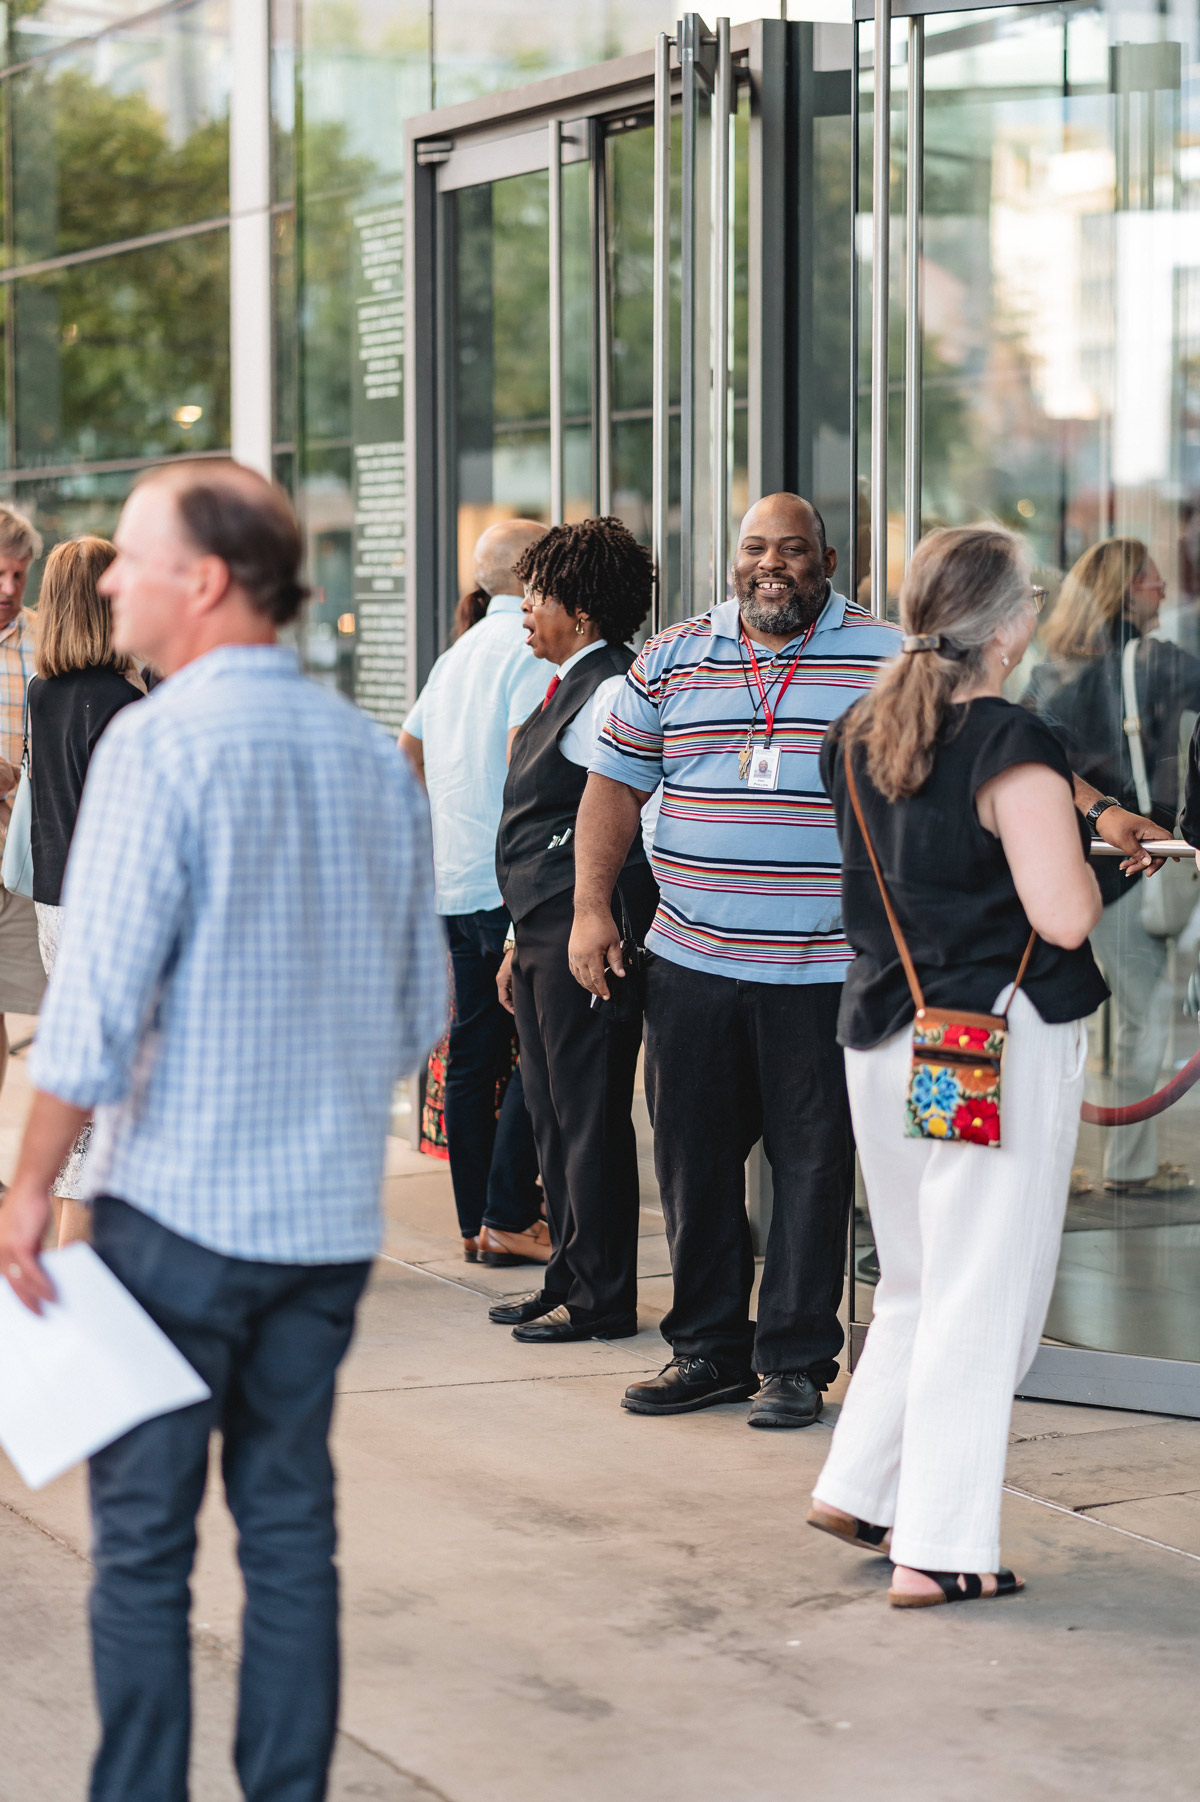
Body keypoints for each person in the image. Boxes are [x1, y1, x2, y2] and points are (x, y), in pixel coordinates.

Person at [0, 461, 445, 1802]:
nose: (111, 582)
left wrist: (27, 1188)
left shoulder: (156, 746)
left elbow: (92, 1010)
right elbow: (419, 1008)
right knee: (290, 1531)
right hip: (323, 1226)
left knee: (143, 1545)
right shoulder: (367, 751)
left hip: (172, 1221)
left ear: (202, 581)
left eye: (131, 560)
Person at [808, 523, 1108, 1606]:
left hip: (886, 1034)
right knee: (983, 1287)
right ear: (1013, 625)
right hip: (985, 1045)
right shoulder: (1012, 741)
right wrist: (1109, 864)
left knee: (921, 1278)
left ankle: (865, 1482)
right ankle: (939, 1546)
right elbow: (1063, 915)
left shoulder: (857, 730)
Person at [570, 494, 901, 1423]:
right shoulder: (672, 657)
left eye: (792, 550)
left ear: (826, 562)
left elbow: (980, 750)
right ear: (733, 559)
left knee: (813, 1168)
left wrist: (1092, 808)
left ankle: (794, 1360)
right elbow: (613, 786)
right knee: (694, 1164)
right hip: (692, 963)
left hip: (827, 970)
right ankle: (709, 1350)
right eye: (756, 547)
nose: (771, 565)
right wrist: (591, 908)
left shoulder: (885, 657)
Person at [490, 515, 656, 1344]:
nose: (525, 610)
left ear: (581, 613)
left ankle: (601, 1297)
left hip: (583, 933)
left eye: (538, 597)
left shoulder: (614, 691)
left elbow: (627, 819)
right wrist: (517, 941)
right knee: (553, 1116)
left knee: (587, 1116)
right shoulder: (568, 684)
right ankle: (567, 1276)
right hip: (543, 929)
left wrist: (591, 922)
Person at [1024, 538, 1200, 1194]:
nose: (1165, 590)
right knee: (1142, 1018)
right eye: (1153, 579)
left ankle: (1049, 1163)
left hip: (1066, 862)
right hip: (1131, 861)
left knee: (1056, 1018)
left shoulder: (1048, 672)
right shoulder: (1156, 661)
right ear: (1127, 590)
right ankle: (1128, 1169)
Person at [400, 519, 551, 1268]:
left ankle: (476, 1224)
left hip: (453, 883)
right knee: (540, 1051)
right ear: (531, 573)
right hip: (507, 886)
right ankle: (509, 1215)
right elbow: (529, 768)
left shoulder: (454, 656)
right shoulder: (526, 649)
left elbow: (407, 755)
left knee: (473, 1055)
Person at [27, 535, 143, 1247]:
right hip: (107, 910)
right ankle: (78, 1263)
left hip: (55, 903)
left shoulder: (42, 694)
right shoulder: (122, 703)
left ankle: (74, 1255)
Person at [0, 504, 48, 1084]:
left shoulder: (46, 641)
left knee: (56, 1006)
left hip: (27, 861)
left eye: (19, 574)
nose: (9, 588)